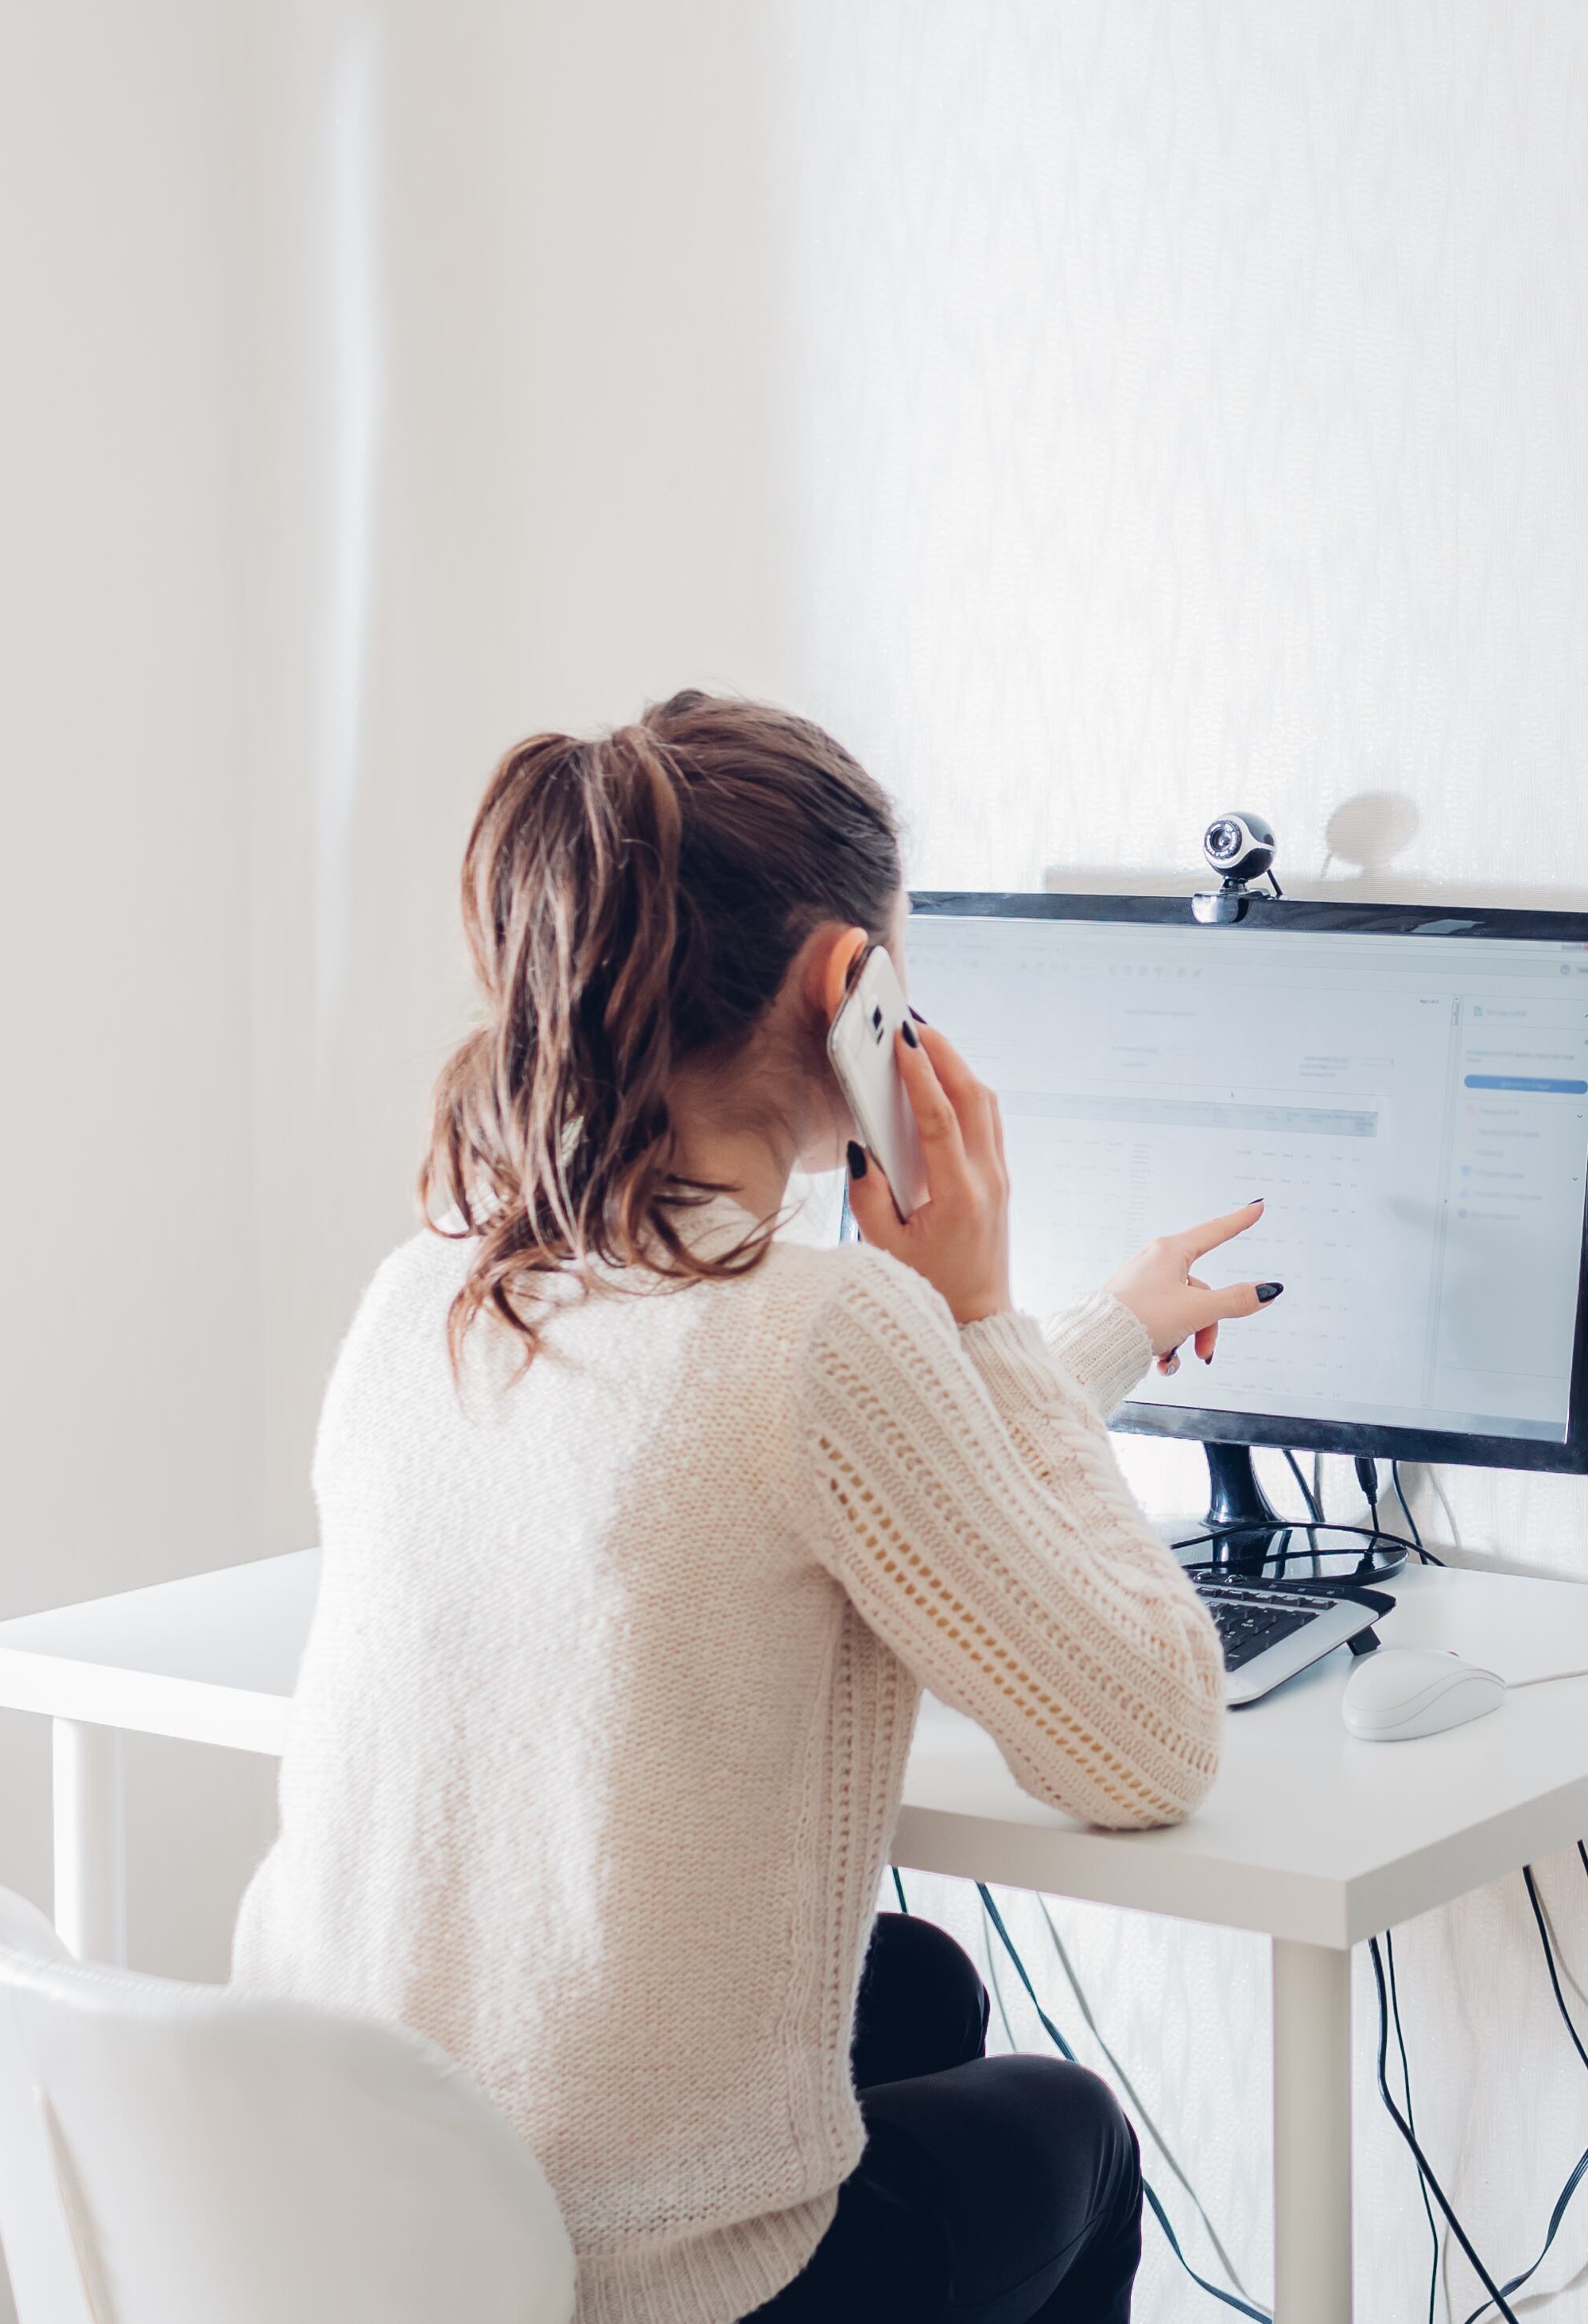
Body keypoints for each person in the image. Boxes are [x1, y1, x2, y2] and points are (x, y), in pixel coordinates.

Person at [234, 692, 1272, 2324]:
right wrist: (981, 1318)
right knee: (1071, 2134)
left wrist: (1101, 1332)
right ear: (850, 986)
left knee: (913, 1989)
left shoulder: (427, 1288)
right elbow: (1148, 1744)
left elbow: (847, 1471)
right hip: (627, 2284)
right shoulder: (824, 1332)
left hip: (367, 2230)